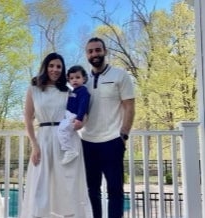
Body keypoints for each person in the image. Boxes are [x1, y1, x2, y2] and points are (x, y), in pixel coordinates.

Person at [20, 52, 93, 218]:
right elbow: (28, 119)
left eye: (59, 66)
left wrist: (83, 122)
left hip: (66, 140)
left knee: (68, 184)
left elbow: (82, 110)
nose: (55, 69)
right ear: (45, 67)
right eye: (51, 65)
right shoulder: (34, 89)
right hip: (43, 139)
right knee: (40, 184)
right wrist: (34, 145)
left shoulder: (68, 91)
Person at [79, 37, 135, 218]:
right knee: (91, 191)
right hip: (87, 142)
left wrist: (123, 135)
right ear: (86, 55)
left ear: (105, 51)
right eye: (90, 51)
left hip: (112, 141)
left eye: (97, 50)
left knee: (115, 191)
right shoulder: (83, 81)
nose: (94, 54)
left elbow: (129, 106)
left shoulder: (120, 75)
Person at [57, 65, 90, 165]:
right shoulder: (72, 91)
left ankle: (69, 150)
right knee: (65, 131)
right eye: (71, 78)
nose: (74, 80)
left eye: (77, 77)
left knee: (61, 129)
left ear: (84, 79)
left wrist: (79, 118)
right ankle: (68, 149)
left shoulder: (83, 91)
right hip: (68, 114)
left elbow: (83, 106)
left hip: (74, 116)